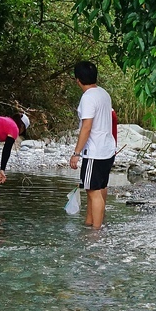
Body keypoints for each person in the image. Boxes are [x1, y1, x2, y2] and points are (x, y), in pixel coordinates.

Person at [68, 61, 116, 229]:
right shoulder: (103, 93)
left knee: (92, 191)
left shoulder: (87, 98)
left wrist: (76, 153)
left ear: (77, 80)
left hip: (95, 151)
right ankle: (90, 222)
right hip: (108, 149)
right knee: (99, 187)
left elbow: (87, 126)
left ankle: (95, 232)